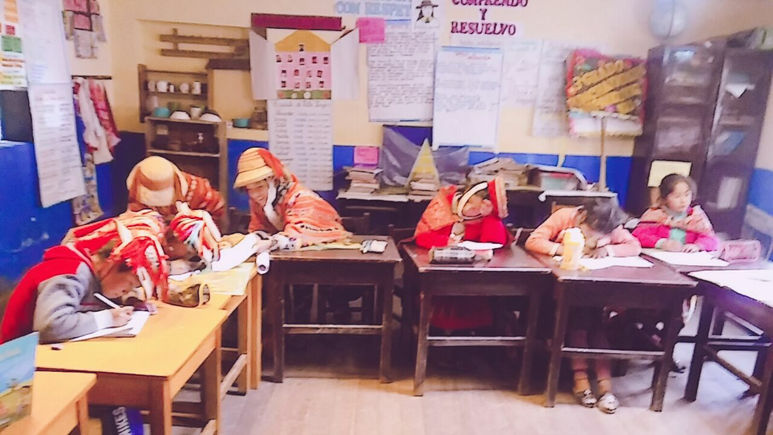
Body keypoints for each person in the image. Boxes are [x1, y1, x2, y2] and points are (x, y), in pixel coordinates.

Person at [525, 198, 641, 414]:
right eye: (589, 232)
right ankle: (587, 381)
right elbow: (534, 240)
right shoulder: (564, 216)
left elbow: (634, 246)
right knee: (582, 321)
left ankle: (601, 386)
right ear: (582, 217)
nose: (592, 238)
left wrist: (608, 250)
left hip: (594, 290)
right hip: (559, 290)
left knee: (592, 322)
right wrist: (563, 249)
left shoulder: (610, 224)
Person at [0, 212, 169, 344]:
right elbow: (51, 326)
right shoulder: (68, 271)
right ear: (112, 264)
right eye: (130, 284)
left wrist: (129, 302)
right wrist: (108, 318)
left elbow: (92, 300)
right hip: (13, 363)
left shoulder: (94, 274)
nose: (126, 290)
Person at [413, 177, 510, 331]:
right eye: (468, 201)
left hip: (473, 277)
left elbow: (495, 242)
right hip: (441, 273)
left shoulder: (483, 218)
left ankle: (476, 334)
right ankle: (438, 332)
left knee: (478, 292)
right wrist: (448, 242)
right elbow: (422, 237)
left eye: (474, 205)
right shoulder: (444, 204)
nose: (468, 207)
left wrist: (490, 216)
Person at [233, 148, 350, 248]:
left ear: (274, 181)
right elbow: (259, 229)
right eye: (249, 189)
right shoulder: (260, 202)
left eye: (259, 187)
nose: (255, 195)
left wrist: (271, 243)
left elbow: (297, 235)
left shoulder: (302, 198)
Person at [632, 173, 719, 252]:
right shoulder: (655, 215)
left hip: (687, 258)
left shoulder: (696, 216)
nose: (683, 200)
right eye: (677, 196)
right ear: (665, 198)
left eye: (687, 195)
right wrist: (661, 243)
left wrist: (698, 246)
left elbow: (711, 239)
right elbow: (638, 235)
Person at [126, 156, 225, 221]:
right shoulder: (136, 191)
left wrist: (197, 229)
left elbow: (219, 209)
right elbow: (134, 216)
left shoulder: (199, 190)